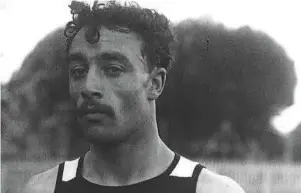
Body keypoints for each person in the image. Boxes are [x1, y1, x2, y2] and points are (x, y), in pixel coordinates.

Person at [24, 1, 245, 192]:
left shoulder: (211, 190)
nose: (88, 86)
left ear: (155, 83)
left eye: (112, 69)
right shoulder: (44, 189)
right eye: (79, 71)